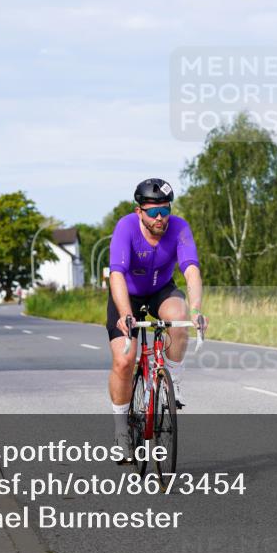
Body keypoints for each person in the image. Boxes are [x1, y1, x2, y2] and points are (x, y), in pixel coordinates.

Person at [106, 178, 207, 455]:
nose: (160, 217)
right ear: (140, 211)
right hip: (128, 294)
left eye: (165, 209)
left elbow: (191, 270)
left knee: (180, 316)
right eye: (153, 212)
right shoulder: (126, 227)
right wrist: (125, 313)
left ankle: (172, 381)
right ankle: (121, 431)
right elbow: (116, 274)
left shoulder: (179, 228)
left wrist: (197, 309)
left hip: (161, 290)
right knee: (125, 360)